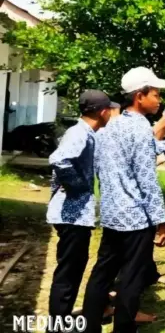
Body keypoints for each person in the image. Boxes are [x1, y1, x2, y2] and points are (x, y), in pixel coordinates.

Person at [82, 67, 165, 333]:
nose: (159, 100)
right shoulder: (140, 128)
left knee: (102, 273)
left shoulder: (109, 126)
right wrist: (161, 222)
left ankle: (89, 325)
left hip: (111, 214)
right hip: (134, 218)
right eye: (155, 94)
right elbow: (147, 179)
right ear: (140, 96)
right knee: (131, 278)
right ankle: (124, 327)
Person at [46, 90, 116, 320]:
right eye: (110, 110)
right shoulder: (79, 133)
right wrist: (77, 186)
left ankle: (62, 318)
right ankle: (58, 323)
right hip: (71, 216)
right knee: (68, 272)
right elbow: (59, 159)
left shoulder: (88, 132)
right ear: (103, 112)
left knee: (74, 268)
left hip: (75, 216)